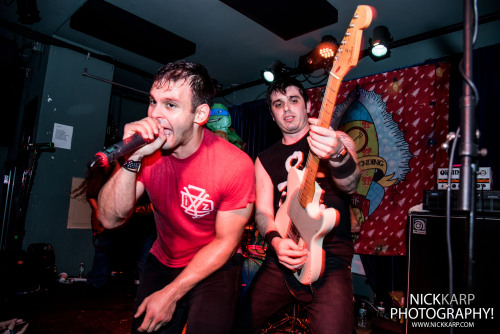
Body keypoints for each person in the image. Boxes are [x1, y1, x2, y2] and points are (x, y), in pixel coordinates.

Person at [98, 60, 255, 334]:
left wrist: (171, 294)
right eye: (152, 102)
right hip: (164, 258)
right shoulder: (148, 156)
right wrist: (131, 158)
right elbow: (110, 219)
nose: (155, 114)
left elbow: (226, 242)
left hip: (214, 264)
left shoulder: (235, 165)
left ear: (200, 114)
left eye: (170, 105)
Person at [236, 77, 361, 334]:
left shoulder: (333, 139)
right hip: (281, 256)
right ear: (272, 114)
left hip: (331, 257)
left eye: (294, 100)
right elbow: (262, 213)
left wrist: (337, 153)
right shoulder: (264, 159)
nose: (287, 109)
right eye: (278, 104)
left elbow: (351, 184)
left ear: (307, 105)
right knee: (238, 323)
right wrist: (276, 242)